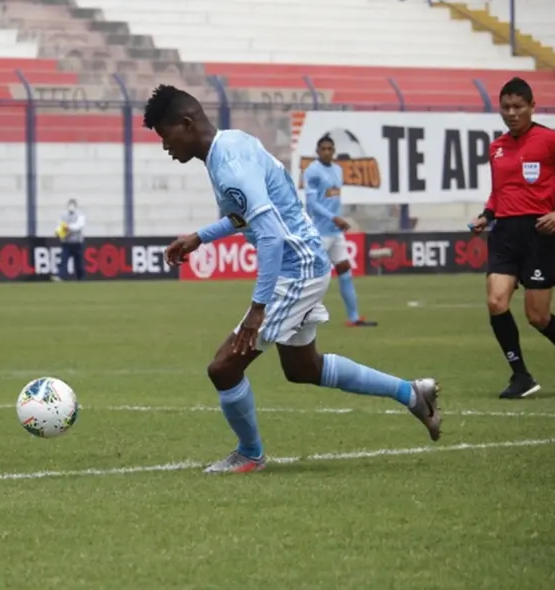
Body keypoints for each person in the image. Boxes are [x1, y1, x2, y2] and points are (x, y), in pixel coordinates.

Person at [143, 84, 441, 474]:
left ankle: (250, 454)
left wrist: (257, 309)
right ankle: (412, 392)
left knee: (224, 367)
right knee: (303, 369)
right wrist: (200, 237)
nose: (166, 147)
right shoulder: (233, 144)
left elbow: (269, 236)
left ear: (186, 123)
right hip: (306, 260)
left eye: (166, 136)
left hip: (294, 268)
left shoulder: (228, 165)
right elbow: (248, 215)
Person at [469, 77, 555, 399]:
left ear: (533, 106)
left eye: (518, 107)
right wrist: (486, 216)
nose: (512, 113)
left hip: (539, 234)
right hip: (504, 233)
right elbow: (498, 193)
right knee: (495, 301)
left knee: (538, 316)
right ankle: (521, 376)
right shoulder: (497, 147)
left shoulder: (549, 140)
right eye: (506, 107)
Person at [302, 135, 376, 327]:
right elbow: (312, 203)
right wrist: (333, 217)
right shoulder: (312, 172)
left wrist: (338, 219)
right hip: (319, 232)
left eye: (330, 149)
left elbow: (333, 199)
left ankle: (353, 318)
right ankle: (303, 315)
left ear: (333, 151)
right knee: (315, 276)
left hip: (336, 232)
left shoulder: (337, 170)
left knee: (344, 270)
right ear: (318, 151)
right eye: (323, 149)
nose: (327, 152)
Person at [54, 199, 86, 281]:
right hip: (66, 243)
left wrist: (68, 227)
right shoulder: (63, 215)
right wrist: (58, 231)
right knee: (63, 260)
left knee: (79, 262)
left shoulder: (80, 215)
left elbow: (79, 226)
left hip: (77, 243)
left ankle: (81, 278)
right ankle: (60, 276)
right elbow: (59, 225)